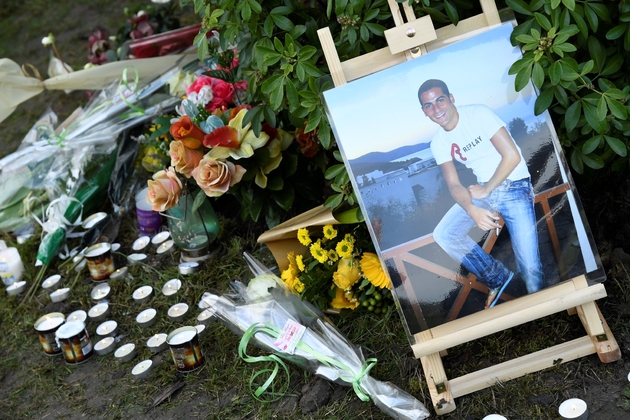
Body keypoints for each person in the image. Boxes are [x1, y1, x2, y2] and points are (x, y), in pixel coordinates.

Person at [417, 79, 543, 308]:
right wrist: (472, 209)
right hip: (484, 191)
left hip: (514, 185)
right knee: (444, 234)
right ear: (424, 111)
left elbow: (512, 156)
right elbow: (454, 185)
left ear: (451, 98)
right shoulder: (438, 143)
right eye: (429, 105)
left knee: (530, 267)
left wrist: (487, 189)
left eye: (440, 100)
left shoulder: (477, 114)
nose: (436, 109)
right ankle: (498, 278)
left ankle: (546, 313)